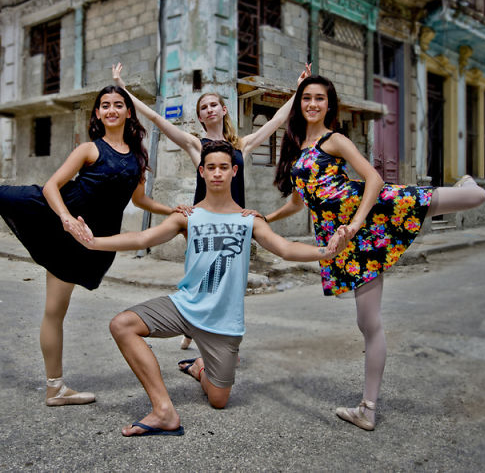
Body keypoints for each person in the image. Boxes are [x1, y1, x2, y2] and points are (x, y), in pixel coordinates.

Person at [69, 141, 337, 436]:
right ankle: (164, 411)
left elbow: (285, 249)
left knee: (219, 400)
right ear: (202, 172)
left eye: (224, 167)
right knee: (122, 325)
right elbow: (142, 238)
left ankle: (199, 367)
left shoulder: (249, 220)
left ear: (234, 171)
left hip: (224, 322)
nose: (217, 173)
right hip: (185, 306)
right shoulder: (188, 216)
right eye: (211, 168)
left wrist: (324, 253)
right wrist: (94, 242)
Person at [265, 75, 485, 431]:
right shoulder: (295, 150)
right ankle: (367, 410)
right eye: (306, 98)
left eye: (319, 99)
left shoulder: (333, 139)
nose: (312, 104)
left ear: (329, 105)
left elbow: (375, 179)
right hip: (346, 238)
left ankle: (468, 184)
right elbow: (298, 202)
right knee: (367, 322)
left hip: (368, 212)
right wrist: (266, 218)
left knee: (475, 198)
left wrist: (354, 224)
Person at [0, 86, 176, 407]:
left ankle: (54, 389)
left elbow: (140, 200)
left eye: (118, 104)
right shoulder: (88, 149)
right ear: (98, 114)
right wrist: (66, 219)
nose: (111, 109)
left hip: (84, 240)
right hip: (52, 213)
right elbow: (50, 186)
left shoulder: (138, 160)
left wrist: (173, 211)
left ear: (129, 112)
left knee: (54, 312)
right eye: (105, 105)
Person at [113, 62, 311, 349]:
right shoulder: (196, 144)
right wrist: (122, 87)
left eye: (213, 105)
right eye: (203, 107)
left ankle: (224, 338)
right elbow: (156, 118)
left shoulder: (241, 144)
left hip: (236, 218)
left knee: (231, 278)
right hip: (203, 217)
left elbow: (278, 119)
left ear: (224, 110)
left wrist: (299, 89)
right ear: (200, 117)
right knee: (202, 274)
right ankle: (192, 326)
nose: (209, 110)